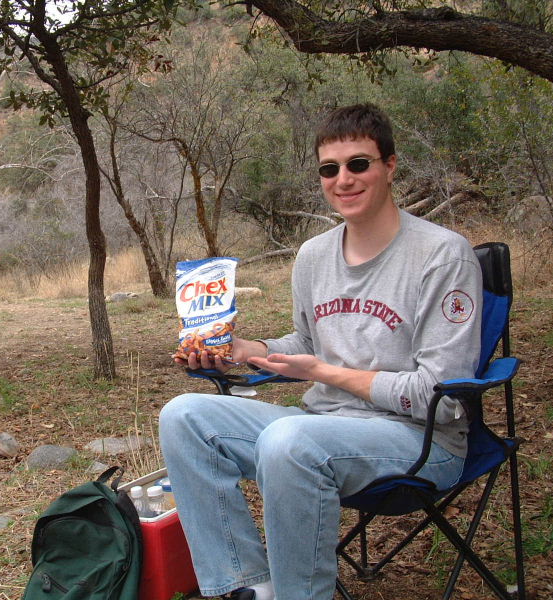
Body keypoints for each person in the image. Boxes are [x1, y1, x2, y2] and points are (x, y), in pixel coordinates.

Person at [159, 103, 483, 600]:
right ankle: (250, 587)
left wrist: (324, 372)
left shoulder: (442, 254)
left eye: (359, 164)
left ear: (390, 166)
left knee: (290, 439)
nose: (343, 180)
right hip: (321, 428)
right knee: (184, 417)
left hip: (420, 441)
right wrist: (245, 349)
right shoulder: (313, 256)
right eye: (329, 169)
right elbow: (307, 346)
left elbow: (441, 395)